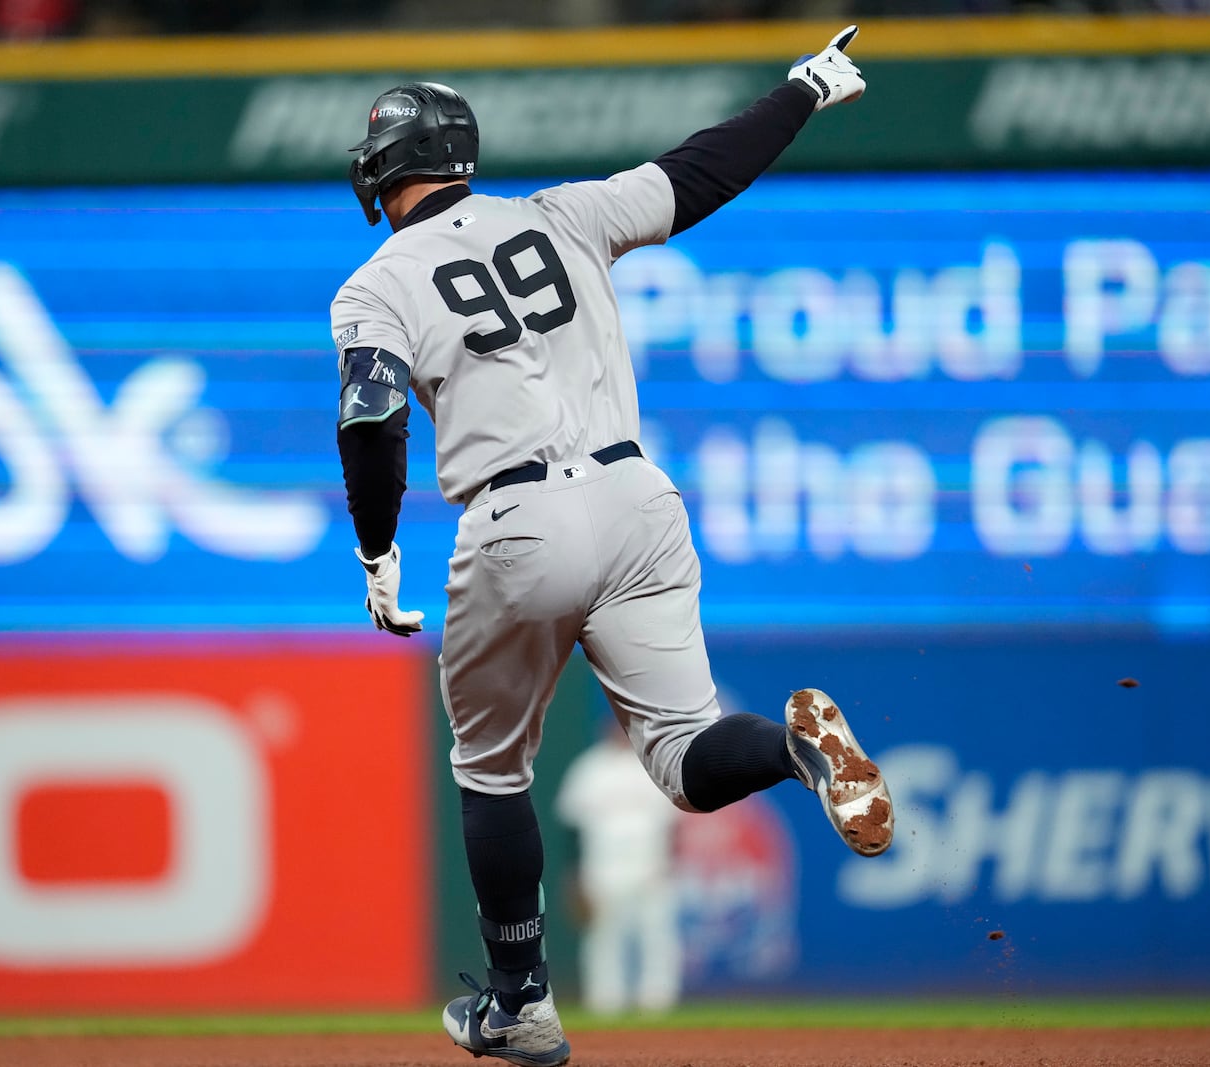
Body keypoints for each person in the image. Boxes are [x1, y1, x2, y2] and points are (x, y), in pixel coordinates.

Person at [331, 26, 892, 1066]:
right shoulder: (562, 213)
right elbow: (698, 173)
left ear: (380, 172)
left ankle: (522, 1003)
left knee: (492, 767)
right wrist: (803, 90)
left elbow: (371, 414)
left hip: (515, 515)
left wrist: (376, 551)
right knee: (683, 757)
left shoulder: (374, 285)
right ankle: (794, 747)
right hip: (639, 494)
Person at [555, 722, 685, 1016]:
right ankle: (605, 1001)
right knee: (603, 938)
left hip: (653, 866)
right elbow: (572, 827)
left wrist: (673, 863)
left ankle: (658, 1001)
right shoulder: (590, 768)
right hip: (602, 868)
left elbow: (675, 824)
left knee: (657, 935)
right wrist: (575, 875)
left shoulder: (654, 767)